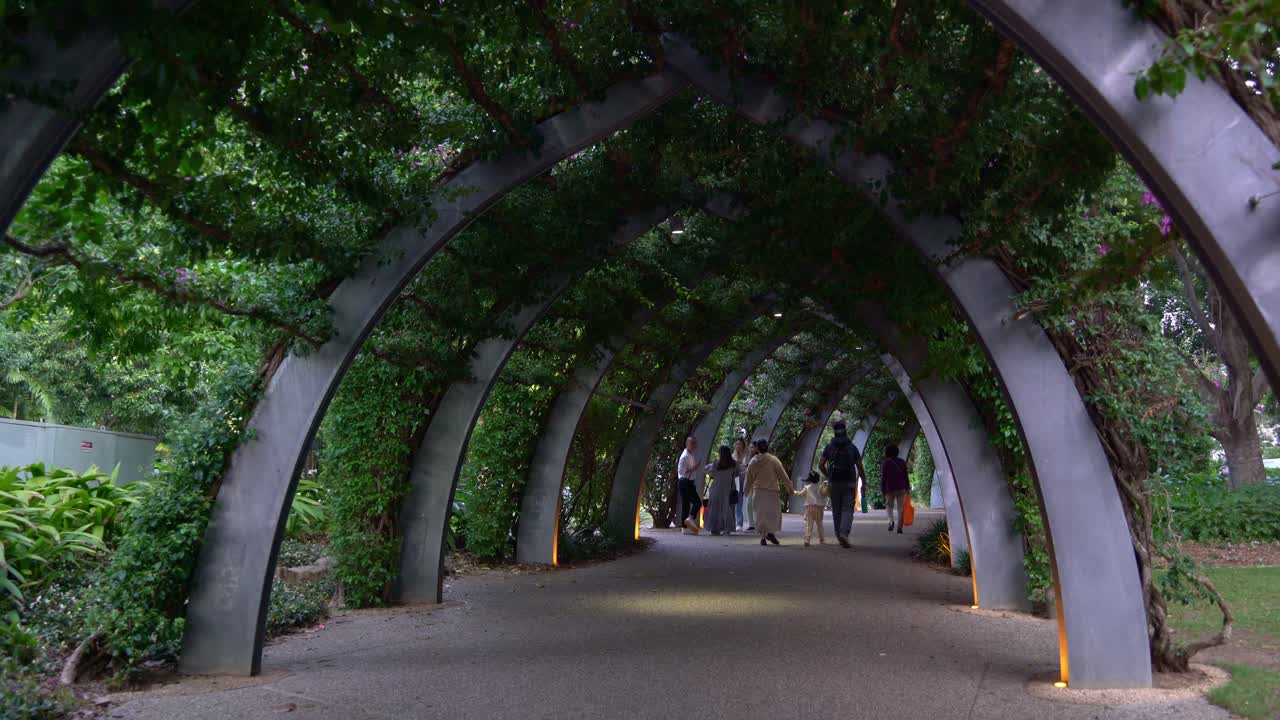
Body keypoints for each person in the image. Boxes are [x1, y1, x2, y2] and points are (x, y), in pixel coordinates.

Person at [818, 419, 867, 549]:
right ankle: (844, 533)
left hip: (834, 482)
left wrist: (828, 475)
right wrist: (864, 483)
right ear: (845, 432)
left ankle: (839, 536)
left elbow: (821, 464)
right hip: (849, 482)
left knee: (836, 510)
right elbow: (860, 468)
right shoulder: (852, 447)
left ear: (834, 433)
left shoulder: (829, 447)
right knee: (847, 508)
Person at [744, 438, 795, 546]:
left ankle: (763, 537)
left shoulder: (753, 461)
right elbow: (783, 475)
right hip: (772, 491)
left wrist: (746, 491)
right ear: (767, 447)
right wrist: (790, 487)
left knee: (760, 515)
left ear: (757, 448)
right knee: (772, 514)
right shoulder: (773, 460)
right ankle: (770, 533)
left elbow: (748, 479)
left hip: (758, 491)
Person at [703, 445, 741, 535]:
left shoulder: (716, 463)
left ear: (721, 453)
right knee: (727, 508)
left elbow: (707, 470)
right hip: (728, 488)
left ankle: (715, 527)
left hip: (716, 488)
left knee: (715, 508)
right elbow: (736, 474)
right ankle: (727, 528)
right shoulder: (734, 464)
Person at [677, 435, 704, 535]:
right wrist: (694, 468)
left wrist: (694, 468)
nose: (695, 445)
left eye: (695, 443)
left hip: (689, 482)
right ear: (687, 444)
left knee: (690, 504)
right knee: (692, 503)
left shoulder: (690, 454)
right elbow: (681, 472)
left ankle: (687, 524)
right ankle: (686, 524)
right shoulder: (684, 456)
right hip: (685, 482)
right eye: (693, 443)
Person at [881, 443, 910, 534]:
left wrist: (882, 488)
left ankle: (891, 521)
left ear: (887, 452)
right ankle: (900, 527)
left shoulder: (886, 462)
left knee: (889, 505)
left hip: (890, 488)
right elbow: (905, 476)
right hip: (901, 487)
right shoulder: (902, 462)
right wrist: (908, 487)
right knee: (900, 508)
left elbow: (884, 477)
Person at [793, 472, 827, 546]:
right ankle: (822, 540)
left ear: (810, 480)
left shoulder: (807, 488)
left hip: (809, 508)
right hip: (819, 508)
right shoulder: (821, 487)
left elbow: (800, 494)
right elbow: (825, 493)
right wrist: (825, 486)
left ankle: (807, 539)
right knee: (819, 524)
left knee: (808, 524)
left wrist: (793, 491)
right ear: (818, 479)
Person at [733, 437, 752, 531]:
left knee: (750, 501)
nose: (738, 446)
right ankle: (739, 524)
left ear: (743, 446)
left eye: (740, 444)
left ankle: (753, 523)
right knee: (738, 502)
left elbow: (750, 467)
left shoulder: (747, 456)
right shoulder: (733, 456)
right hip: (737, 480)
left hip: (747, 480)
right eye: (736, 444)